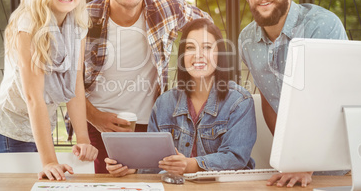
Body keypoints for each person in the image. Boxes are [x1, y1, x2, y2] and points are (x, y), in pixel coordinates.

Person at [84, 0, 212, 173]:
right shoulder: (86, 17)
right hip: (100, 123)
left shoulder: (167, 7)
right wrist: (94, 117)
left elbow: (207, 26)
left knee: (154, 184)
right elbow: (62, 80)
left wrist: (191, 69)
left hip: (151, 121)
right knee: (109, 184)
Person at [236, 0, 348, 187]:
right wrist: (291, 158)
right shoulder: (246, 40)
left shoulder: (322, 25)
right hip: (295, 169)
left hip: (343, 164)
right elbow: (270, 99)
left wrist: (306, 164)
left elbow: (331, 102)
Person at [0, 0, 98, 181]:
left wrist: (83, 140)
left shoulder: (77, 24)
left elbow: (75, 87)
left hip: (39, 132)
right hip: (9, 133)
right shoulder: (29, 23)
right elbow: (34, 98)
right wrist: (49, 161)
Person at [105, 18, 257, 176]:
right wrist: (133, 167)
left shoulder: (239, 102)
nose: (198, 55)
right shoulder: (164, 104)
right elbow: (154, 162)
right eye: (190, 47)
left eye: (207, 47)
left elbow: (236, 158)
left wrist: (191, 165)